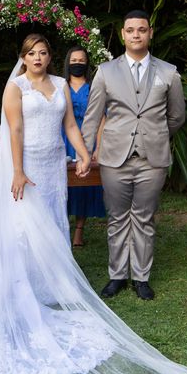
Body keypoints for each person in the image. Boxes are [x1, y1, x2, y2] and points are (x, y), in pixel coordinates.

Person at [0, 34, 187, 374]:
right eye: (32, 53)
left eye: (44, 53)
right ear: (24, 57)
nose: (39, 58)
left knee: (52, 223)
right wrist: (16, 171)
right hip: (26, 167)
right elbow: (14, 130)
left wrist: (86, 152)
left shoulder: (60, 84)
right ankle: (20, 290)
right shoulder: (15, 88)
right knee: (23, 230)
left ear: (49, 57)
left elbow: (71, 125)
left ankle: (46, 286)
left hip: (54, 166)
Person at [80, 9, 186, 301]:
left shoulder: (168, 72)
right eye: (130, 30)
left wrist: (155, 134)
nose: (136, 35)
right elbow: (92, 117)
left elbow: (176, 116)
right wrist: (87, 153)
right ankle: (117, 275)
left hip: (153, 159)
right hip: (114, 157)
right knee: (116, 217)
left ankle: (141, 277)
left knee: (144, 217)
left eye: (142, 29)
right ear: (122, 35)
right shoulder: (106, 71)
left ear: (150, 33)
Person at [61, 46, 106, 248]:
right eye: (74, 60)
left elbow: (102, 119)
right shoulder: (59, 85)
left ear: (87, 64)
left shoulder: (95, 87)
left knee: (85, 185)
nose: (77, 64)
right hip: (63, 139)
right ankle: (60, 229)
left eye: (81, 60)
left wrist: (98, 148)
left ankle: (79, 230)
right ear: (67, 63)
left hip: (88, 139)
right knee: (61, 184)